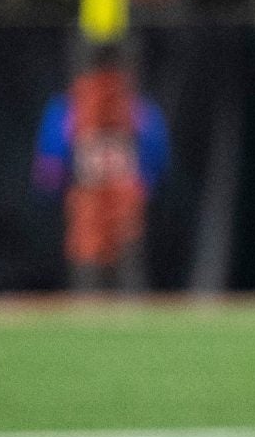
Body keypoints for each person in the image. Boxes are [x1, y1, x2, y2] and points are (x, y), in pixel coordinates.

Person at [33, 42, 171, 293]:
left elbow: (157, 159)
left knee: (123, 272)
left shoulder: (138, 111)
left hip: (122, 215)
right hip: (90, 216)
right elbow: (49, 168)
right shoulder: (70, 110)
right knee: (92, 274)